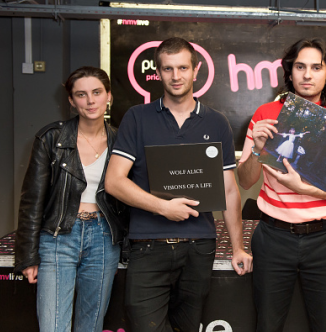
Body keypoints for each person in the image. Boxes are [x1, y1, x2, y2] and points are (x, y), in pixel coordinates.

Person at [105, 37, 253, 332]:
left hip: (199, 249)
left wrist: (238, 247)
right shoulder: (137, 118)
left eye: (183, 67)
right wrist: (163, 207)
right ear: (157, 72)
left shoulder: (216, 122)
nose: (176, 76)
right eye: (168, 69)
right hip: (148, 247)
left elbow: (229, 190)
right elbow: (114, 182)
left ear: (196, 71)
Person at [237, 38, 326, 332]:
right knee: (267, 324)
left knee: (324, 325)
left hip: (325, 240)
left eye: (316, 68)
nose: (307, 74)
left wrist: (308, 189)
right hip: (273, 237)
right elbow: (246, 181)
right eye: (300, 67)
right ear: (290, 73)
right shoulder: (264, 114)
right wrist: (257, 149)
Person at [14, 66, 127, 332]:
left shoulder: (122, 140)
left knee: (91, 325)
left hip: (103, 238)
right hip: (58, 237)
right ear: (71, 100)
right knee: (53, 326)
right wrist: (28, 256)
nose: (90, 101)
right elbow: (32, 201)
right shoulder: (51, 138)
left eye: (97, 92)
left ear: (108, 96)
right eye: (81, 94)